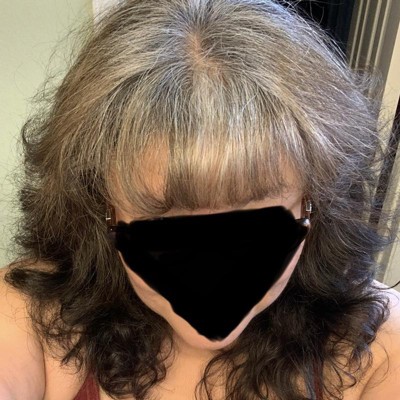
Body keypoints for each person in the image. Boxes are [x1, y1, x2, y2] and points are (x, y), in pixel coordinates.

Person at [1, 0, 400, 399]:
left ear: (311, 205)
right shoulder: (31, 316)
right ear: (105, 210)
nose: (213, 274)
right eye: (162, 222)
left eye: (253, 220)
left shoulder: (379, 349)